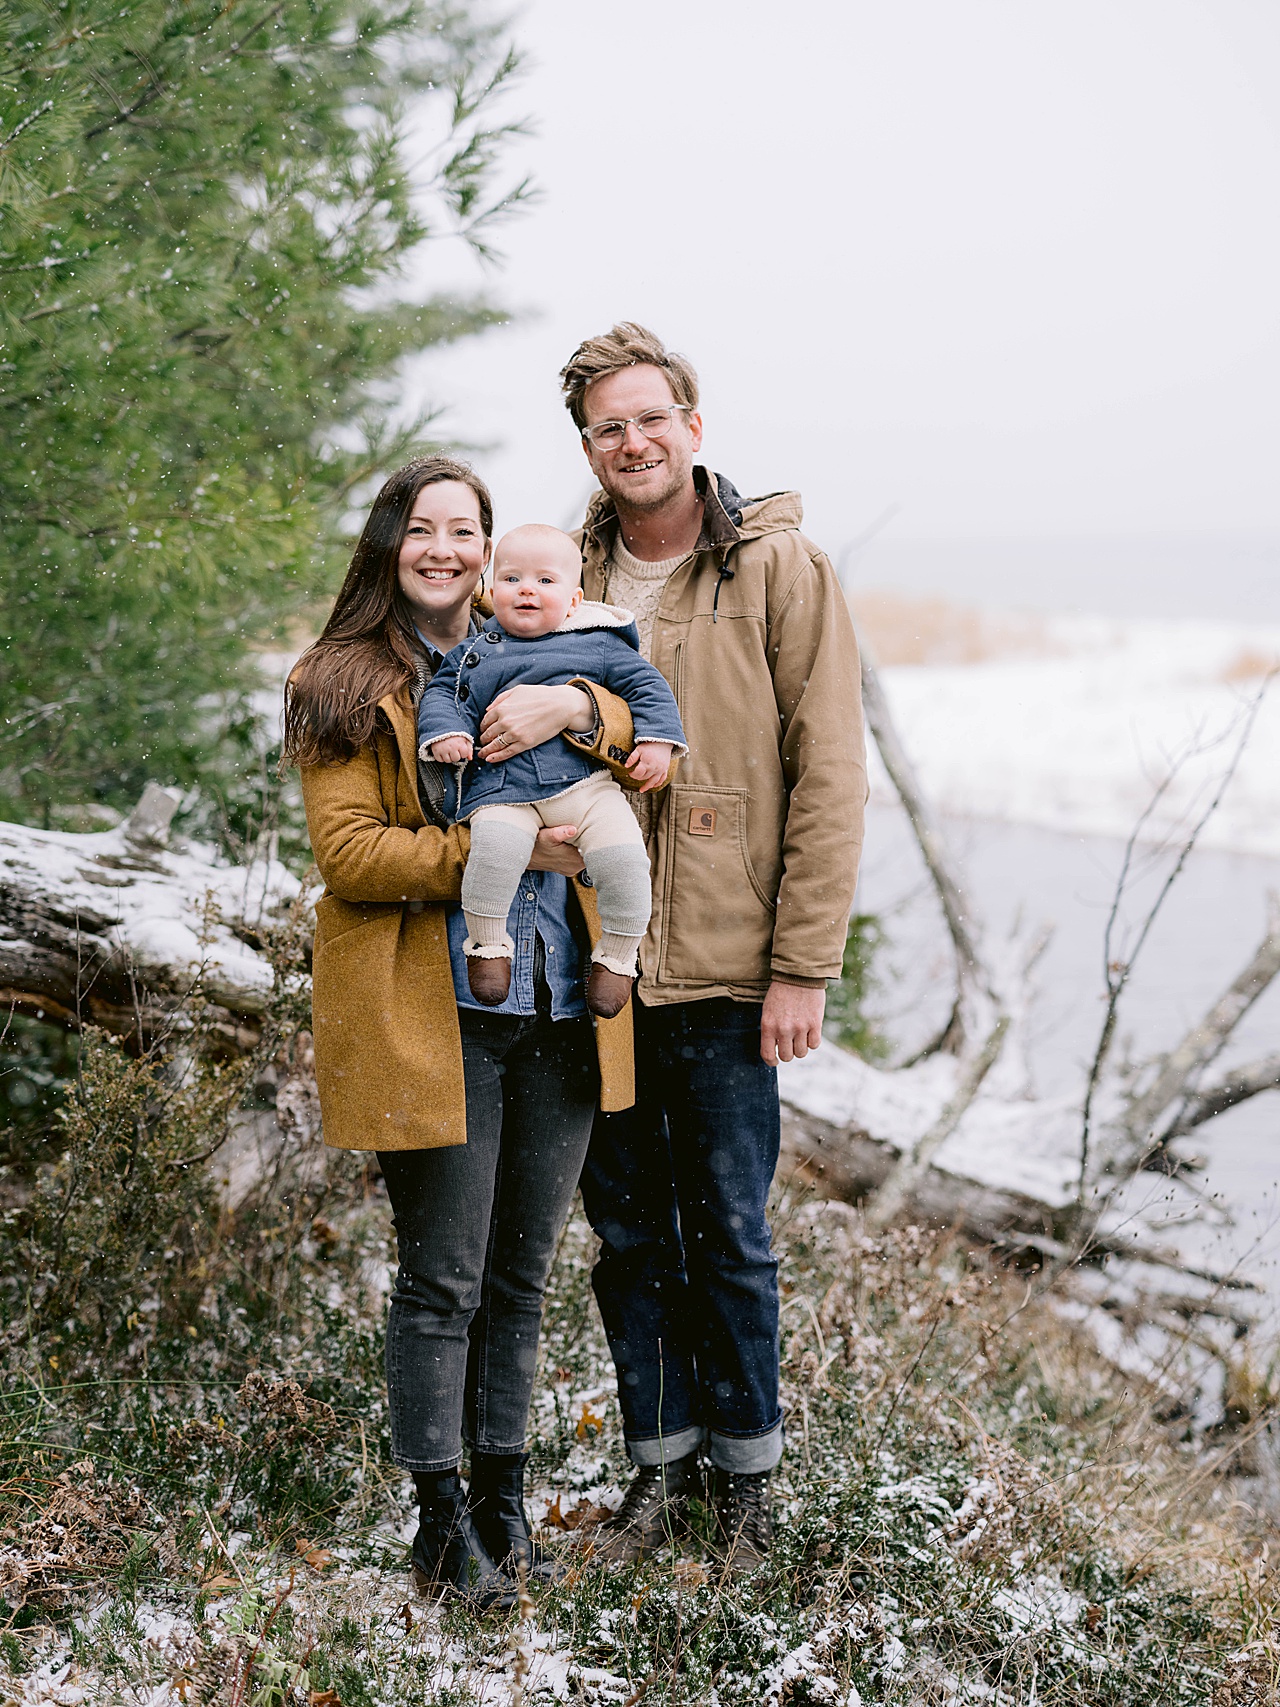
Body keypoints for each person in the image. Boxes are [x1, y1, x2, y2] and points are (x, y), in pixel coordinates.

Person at [282, 456, 641, 1611]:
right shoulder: (342, 683)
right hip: (433, 1013)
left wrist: (581, 707)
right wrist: (497, 852)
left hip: (558, 1008)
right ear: (390, 543)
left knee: (524, 1278)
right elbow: (348, 857)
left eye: (465, 531)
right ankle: (439, 1523)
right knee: (444, 1280)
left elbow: (637, 722)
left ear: (491, 552)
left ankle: (502, 1502)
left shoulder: (541, 647)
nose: (444, 549)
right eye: (422, 528)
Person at [558, 324, 868, 1575]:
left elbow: (829, 775)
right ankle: (659, 1467)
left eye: (649, 419)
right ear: (586, 447)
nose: (630, 443)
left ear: (692, 425)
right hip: (597, 971)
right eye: (604, 428)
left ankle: (746, 1486)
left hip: (734, 971)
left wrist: (801, 967)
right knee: (628, 1235)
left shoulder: (778, 568)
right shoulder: (559, 572)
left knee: (728, 1232)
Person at [417, 523, 686, 1019]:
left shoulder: (597, 645)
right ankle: (489, 947)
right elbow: (440, 694)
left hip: (587, 790)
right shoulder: (476, 652)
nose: (526, 589)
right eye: (512, 577)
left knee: (625, 863)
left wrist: (656, 741)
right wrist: (447, 732)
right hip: (502, 789)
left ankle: (618, 956)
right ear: (491, 588)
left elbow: (648, 688)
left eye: (545, 581)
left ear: (573, 598)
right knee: (493, 856)